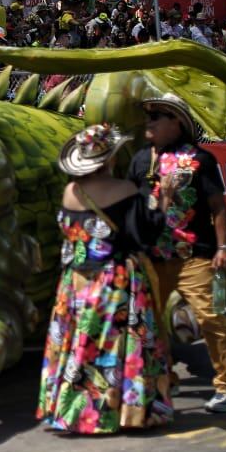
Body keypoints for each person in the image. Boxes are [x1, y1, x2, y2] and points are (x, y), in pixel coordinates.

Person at [37, 122, 174, 434]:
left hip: (75, 282)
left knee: (78, 345)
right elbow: (145, 234)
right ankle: (124, 412)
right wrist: (164, 200)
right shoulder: (123, 190)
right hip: (114, 280)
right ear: (110, 158)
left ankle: (75, 412)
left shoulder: (70, 192)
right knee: (114, 346)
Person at [129, 93, 226, 414]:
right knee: (149, 323)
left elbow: (218, 207)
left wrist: (223, 247)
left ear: (176, 122)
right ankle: (165, 377)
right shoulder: (139, 160)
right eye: (148, 115)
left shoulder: (200, 159)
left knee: (211, 316)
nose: (149, 122)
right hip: (153, 258)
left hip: (196, 255)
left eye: (156, 116)